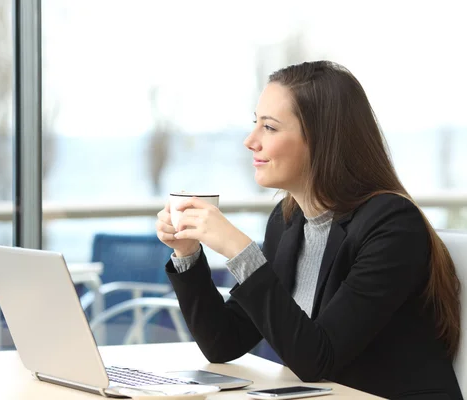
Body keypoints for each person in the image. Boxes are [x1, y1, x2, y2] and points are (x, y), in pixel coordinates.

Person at [155, 61, 463, 400]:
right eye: (255, 124)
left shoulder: (391, 225)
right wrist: (187, 253)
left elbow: (318, 359)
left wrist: (240, 251)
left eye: (269, 128)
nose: (250, 141)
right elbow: (223, 343)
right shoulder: (286, 222)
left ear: (320, 139)